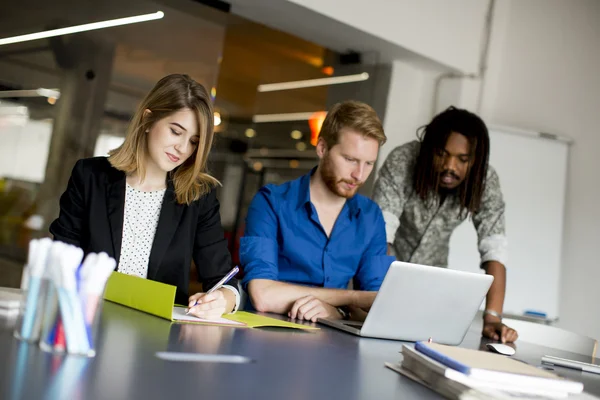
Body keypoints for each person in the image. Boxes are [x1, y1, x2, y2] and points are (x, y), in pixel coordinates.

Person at [50, 74, 239, 319]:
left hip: (155, 335)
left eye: (194, 141)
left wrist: (223, 299)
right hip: (83, 320)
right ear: (148, 119)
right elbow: (61, 256)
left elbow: (224, 279)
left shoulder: (198, 197)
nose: (182, 149)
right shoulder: (90, 177)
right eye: (175, 131)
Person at [372, 106, 518, 343]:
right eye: (442, 153)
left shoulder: (484, 181)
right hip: (380, 274)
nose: (450, 166)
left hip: (432, 286)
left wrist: (492, 318)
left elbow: (495, 249)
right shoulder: (403, 160)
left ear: (475, 161)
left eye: (463, 159)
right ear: (429, 149)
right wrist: (379, 294)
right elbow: (380, 233)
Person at [240, 100, 395, 322]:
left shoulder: (370, 217)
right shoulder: (271, 202)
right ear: (322, 148)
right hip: (265, 335)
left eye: (369, 163)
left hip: (335, 345)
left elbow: (378, 306)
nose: (359, 175)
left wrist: (335, 312)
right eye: (350, 160)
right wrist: (350, 298)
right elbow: (263, 295)